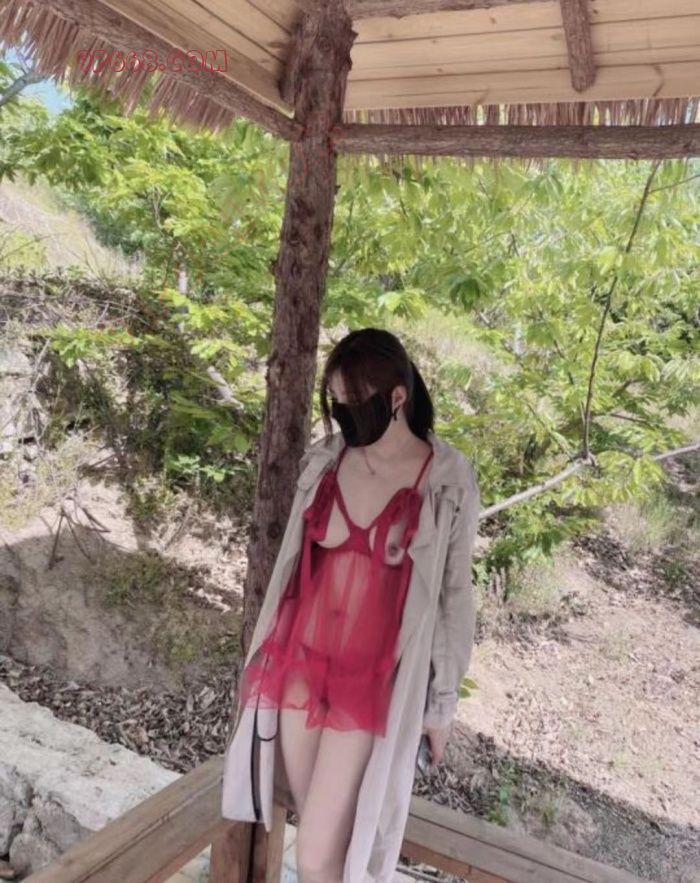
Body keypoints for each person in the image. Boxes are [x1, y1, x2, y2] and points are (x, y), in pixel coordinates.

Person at [232, 328, 478, 883]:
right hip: (300, 666)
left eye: (355, 401)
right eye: (337, 401)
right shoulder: (326, 462)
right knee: (320, 837)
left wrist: (441, 707)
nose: (344, 413)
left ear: (397, 397)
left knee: (315, 855)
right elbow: (294, 571)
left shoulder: (444, 480)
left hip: (369, 687)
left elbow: (454, 598)